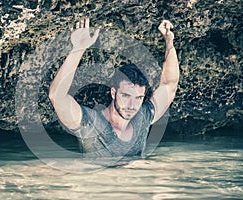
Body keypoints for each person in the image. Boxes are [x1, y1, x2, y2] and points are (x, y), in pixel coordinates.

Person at [49, 18, 179, 157]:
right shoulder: (91, 124)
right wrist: (78, 49)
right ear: (113, 92)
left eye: (138, 98)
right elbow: (57, 97)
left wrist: (169, 43)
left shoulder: (143, 117)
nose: (132, 105)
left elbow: (169, 85)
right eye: (126, 96)